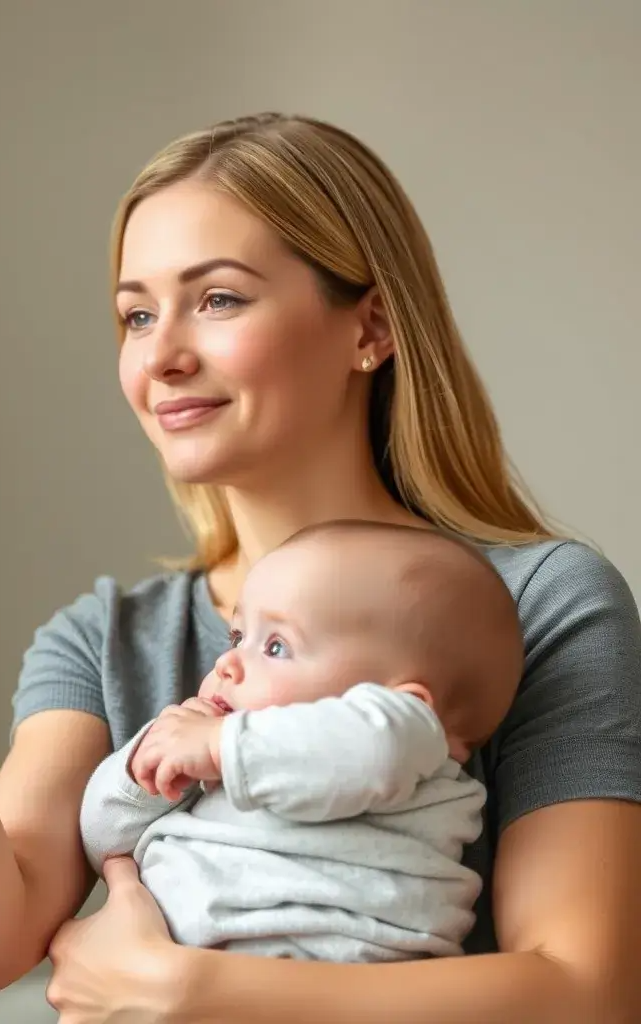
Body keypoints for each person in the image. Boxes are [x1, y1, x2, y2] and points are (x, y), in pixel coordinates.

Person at [1, 112, 639, 1022]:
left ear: (369, 327)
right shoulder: (101, 638)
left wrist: (199, 992)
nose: (161, 357)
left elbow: (588, 994)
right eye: (136, 314)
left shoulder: (543, 603)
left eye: (217, 299)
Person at [79, 520, 523, 962]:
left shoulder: (401, 740)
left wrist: (220, 745)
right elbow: (104, 838)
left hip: (332, 987)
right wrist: (147, 763)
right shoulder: (225, 756)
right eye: (237, 636)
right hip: (165, 981)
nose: (228, 662)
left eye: (276, 647)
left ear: (405, 705)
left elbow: (371, 749)